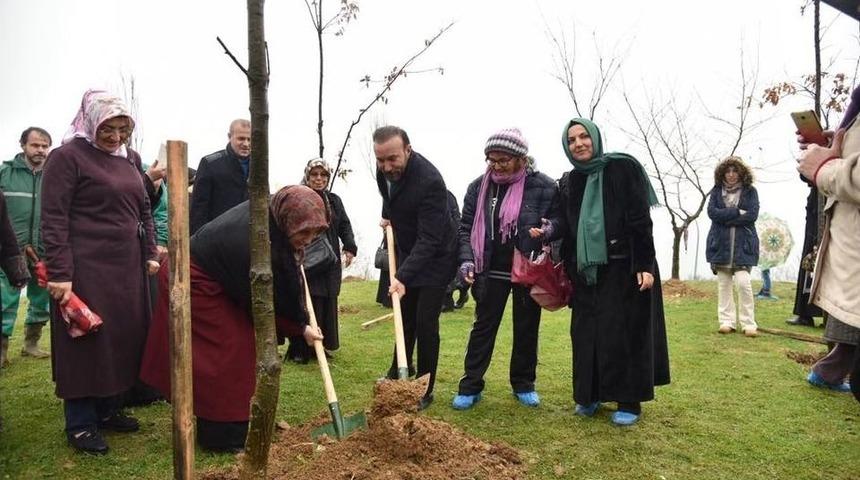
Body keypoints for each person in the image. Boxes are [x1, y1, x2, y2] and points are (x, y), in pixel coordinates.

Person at [140, 185, 326, 452]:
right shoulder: (254, 240)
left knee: (239, 349)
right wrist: (299, 327)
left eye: (316, 232)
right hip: (193, 279)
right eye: (304, 232)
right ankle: (221, 435)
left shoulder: (274, 219)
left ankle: (240, 421)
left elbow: (286, 277)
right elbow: (263, 300)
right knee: (228, 353)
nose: (309, 239)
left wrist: (300, 322)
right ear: (288, 220)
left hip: (217, 275)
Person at [40, 89, 160, 454]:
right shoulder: (67, 157)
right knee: (86, 338)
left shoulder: (130, 158)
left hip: (127, 267)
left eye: (124, 129)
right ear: (91, 121)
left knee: (123, 336)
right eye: (109, 128)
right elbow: (54, 217)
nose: (116, 137)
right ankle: (80, 423)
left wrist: (150, 251)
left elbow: (143, 209)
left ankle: (109, 409)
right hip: (85, 267)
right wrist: (60, 271)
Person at [554, 118, 670, 426]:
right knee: (586, 334)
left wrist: (644, 264)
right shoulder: (571, 181)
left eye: (583, 137)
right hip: (586, 272)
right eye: (571, 140)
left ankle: (629, 402)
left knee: (624, 335)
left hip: (625, 266)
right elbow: (566, 226)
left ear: (595, 137)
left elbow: (640, 220)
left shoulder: (623, 168)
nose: (578, 143)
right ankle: (589, 396)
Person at [451, 128, 559, 410]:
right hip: (489, 269)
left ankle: (524, 384)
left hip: (526, 268)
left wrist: (548, 230)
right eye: (491, 160)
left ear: (521, 158)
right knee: (483, 327)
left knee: (526, 328)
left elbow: (560, 222)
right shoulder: (478, 187)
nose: (496, 166)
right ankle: (470, 384)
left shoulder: (545, 186)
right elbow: (465, 229)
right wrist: (466, 260)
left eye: (503, 160)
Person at [374, 125, 457, 410]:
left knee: (425, 322)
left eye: (392, 159)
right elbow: (390, 197)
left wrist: (402, 276)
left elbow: (431, 239)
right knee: (405, 316)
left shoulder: (430, 181)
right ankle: (398, 372)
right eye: (381, 160)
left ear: (407, 150)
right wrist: (387, 216)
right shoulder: (383, 171)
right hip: (410, 249)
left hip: (437, 256)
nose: (386, 166)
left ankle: (425, 386)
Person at [796, 112, 860, 395]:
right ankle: (829, 370)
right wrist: (836, 151)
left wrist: (825, 169)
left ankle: (829, 370)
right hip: (847, 254)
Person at [285, 158, 357, 363]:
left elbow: (344, 225)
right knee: (307, 302)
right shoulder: (298, 197)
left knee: (327, 301)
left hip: (330, 259)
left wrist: (350, 247)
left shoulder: (334, 200)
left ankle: (322, 345)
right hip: (306, 257)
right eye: (314, 175)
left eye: (323, 175)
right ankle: (301, 348)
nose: (319, 179)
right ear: (307, 176)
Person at [0, 127, 52, 364]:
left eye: (44, 146)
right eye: (35, 145)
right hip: (10, 250)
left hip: (43, 249)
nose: (40, 150)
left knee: (41, 298)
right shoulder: (5, 174)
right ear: (23, 145)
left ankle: (31, 343)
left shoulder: (55, 175)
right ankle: (2, 350)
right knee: (6, 299)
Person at [705, 156, 760, 337]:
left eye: (734, 170)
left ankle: (748, 323)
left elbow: (752, 215)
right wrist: (736, 212)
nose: (731, 174)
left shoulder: (750, 191)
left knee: (744, 283)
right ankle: (726, 321)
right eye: (727, 171)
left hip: (743, 246)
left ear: (741, 172)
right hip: (720, 245)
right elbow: (712, 213)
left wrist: (726, 217)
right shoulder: (716, 191)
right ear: (722, 173)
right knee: (724, 285)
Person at [189, 119, 251, 234]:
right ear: (229, 136)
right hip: (216, 239)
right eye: (241, 138)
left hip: (247, 240)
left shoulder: (259, 169)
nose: (246, 144)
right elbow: (198, 209)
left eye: (250, 139)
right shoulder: (210, 164)